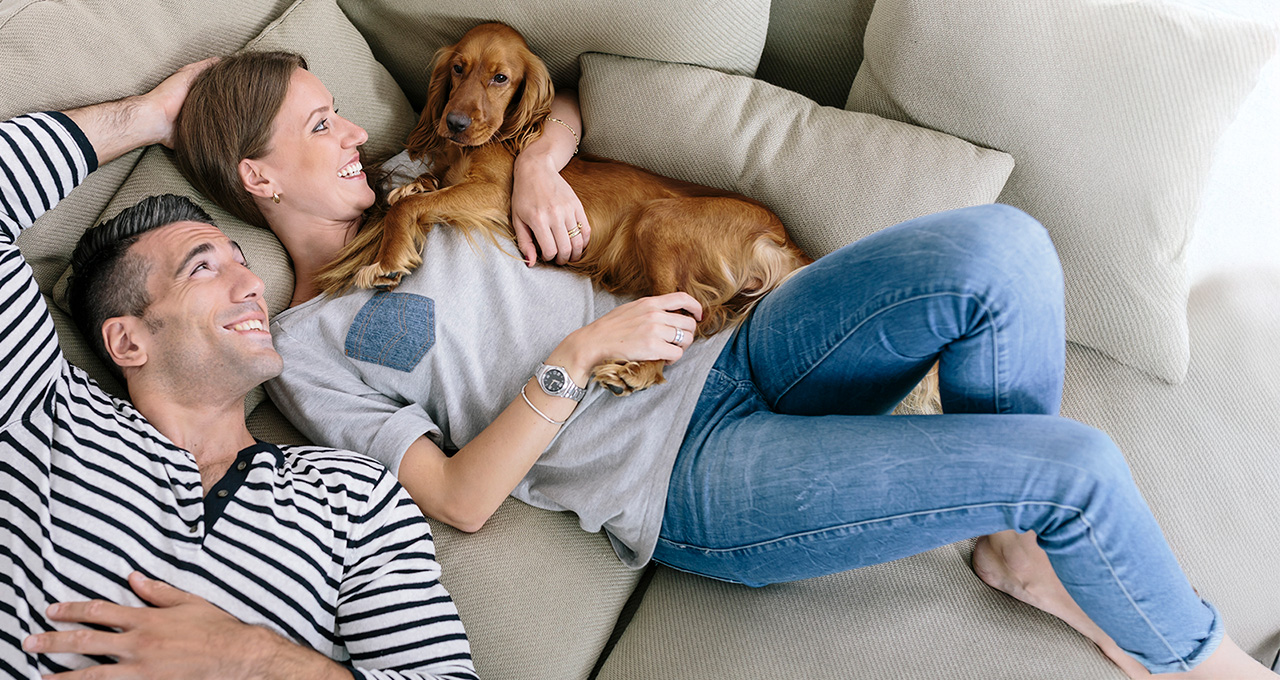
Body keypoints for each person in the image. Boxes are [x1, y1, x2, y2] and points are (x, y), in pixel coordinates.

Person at [172, 50, 1275, 678]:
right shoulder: (308, 347)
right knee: (1072, 465)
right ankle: (1214, 664)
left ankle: (1009, 543)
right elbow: (458, 499)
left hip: (736, 343)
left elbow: (551, 104)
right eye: (318, 127)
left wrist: (539, 171)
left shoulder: (422, 167)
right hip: (681, 479)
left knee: (1003, 247)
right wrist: (575, 353)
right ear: (257, 177)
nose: (351, 135)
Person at [0, 60, 478, 679]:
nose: (252, 283)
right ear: (127, 341)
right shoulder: (45, 412)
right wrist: (150, 117)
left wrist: (256, 661)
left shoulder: (355, 496)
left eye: (241, 261)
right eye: (202, 268)